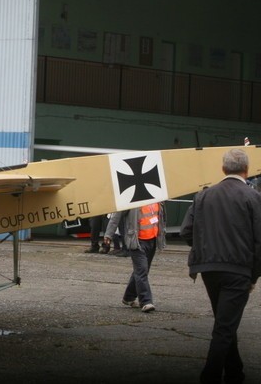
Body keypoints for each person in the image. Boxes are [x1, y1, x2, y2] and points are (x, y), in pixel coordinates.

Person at [179, 148, 261, 384]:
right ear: (246, 170)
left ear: (223, 169)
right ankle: (210, 376)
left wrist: (204, 250)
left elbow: (186, 231)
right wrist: (253, 275)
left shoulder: (203, 196)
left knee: (226, 321)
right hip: (238, 271)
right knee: (225, 327)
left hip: (209, 270)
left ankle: (235, 372)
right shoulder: (253, 198)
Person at [103, 201, 165, 313]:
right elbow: (117, 215)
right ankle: (146, 301)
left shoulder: (157, 197)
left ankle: (128, 297)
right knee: (142, 270)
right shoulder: (131, 198)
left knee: (141, 271)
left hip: (152, 240)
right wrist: (109, 234)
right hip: (136, 241)